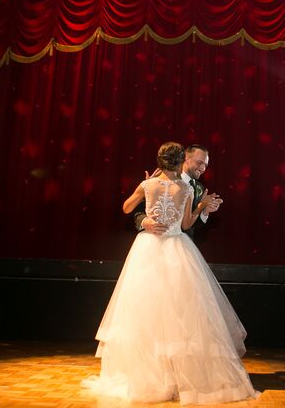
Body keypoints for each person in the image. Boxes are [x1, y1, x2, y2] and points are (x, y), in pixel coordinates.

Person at [82, 142, 257, 404]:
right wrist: (193, 210)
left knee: (165, 313)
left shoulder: (150, 184)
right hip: (177, 249)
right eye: (200, 163)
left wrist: (203, 207)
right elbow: (184, 223)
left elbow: (126, 207)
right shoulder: (186, 188)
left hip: (148, 250)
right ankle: (164, 376)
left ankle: (168, 375)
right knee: (165, 313)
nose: (202, 168)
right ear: (182, 161)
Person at [134, 144, 222, 237]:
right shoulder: (160, 178)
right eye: (200, 163)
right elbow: (138, 210)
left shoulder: (199, 188)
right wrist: (144, 222)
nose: (203, 169)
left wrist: (205, 211)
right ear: (185, 159)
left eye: (205, 165)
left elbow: (190, 226)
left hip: (182, 245)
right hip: (155, 240)